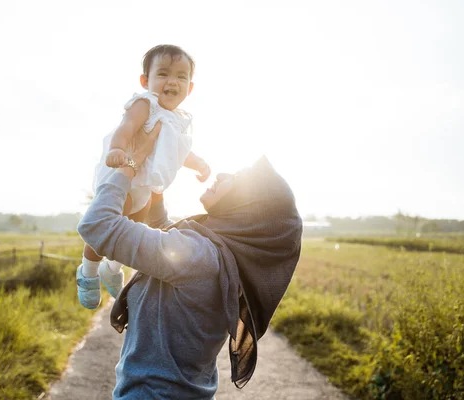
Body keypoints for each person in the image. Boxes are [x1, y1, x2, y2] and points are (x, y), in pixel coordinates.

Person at [77, 121, 304, 398]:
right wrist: (156, 176)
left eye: (238, 178)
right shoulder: (219, 256)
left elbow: (97, 226)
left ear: (249, 207)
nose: (222, 174)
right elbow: (163, 230)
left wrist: (132, 162)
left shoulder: (200, 256)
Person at [78, 44, 211, 309]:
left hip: (145, 185)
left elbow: (181, 151)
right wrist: (117, 148)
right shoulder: (145, 104)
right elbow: (126, 127)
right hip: (122, 174)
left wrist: (199, 164)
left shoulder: (179, 120)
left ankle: (112, 269)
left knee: (136, 227)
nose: (172, 81)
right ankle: (88, 272)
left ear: (190, 87)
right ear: (145, 81)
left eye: (181, 76)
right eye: (162, 73)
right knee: (112, 221)